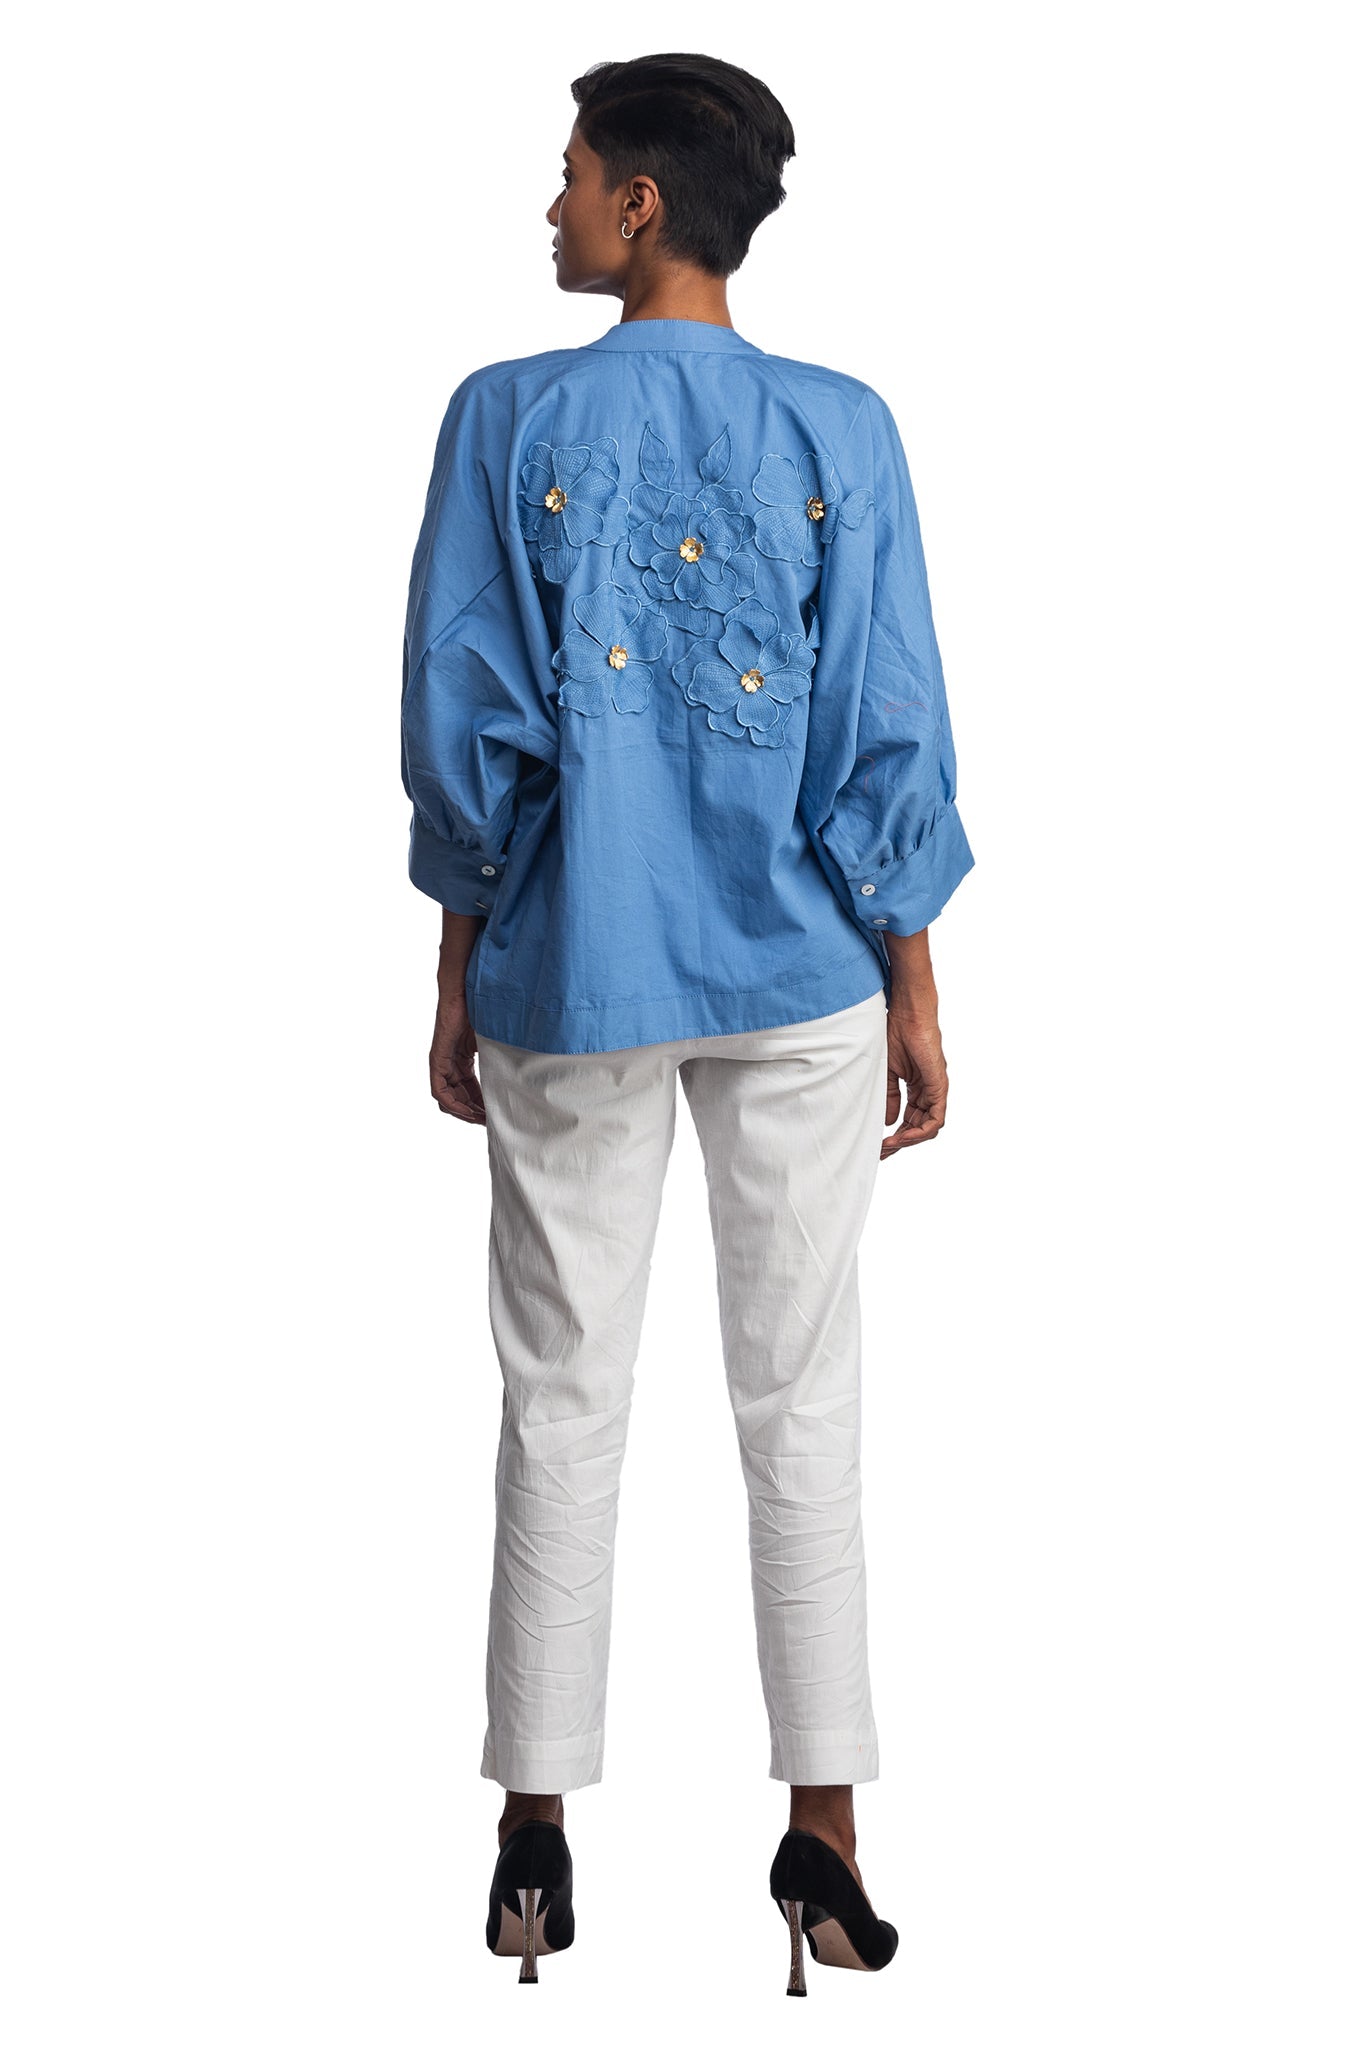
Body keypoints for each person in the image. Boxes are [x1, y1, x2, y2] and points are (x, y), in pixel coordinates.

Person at [400, 51, 974, 1993]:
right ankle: (825, 1836)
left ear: (642, 203)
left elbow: (469, 713)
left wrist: (459, 955)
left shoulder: (507, 415)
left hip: (573, 967)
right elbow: (883, 711)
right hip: (805, 974)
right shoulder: (841, 425)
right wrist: (913, 974)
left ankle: (533, 1837)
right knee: (802, 1392)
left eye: (572, 175)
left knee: (561, 1392)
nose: (553, 205)